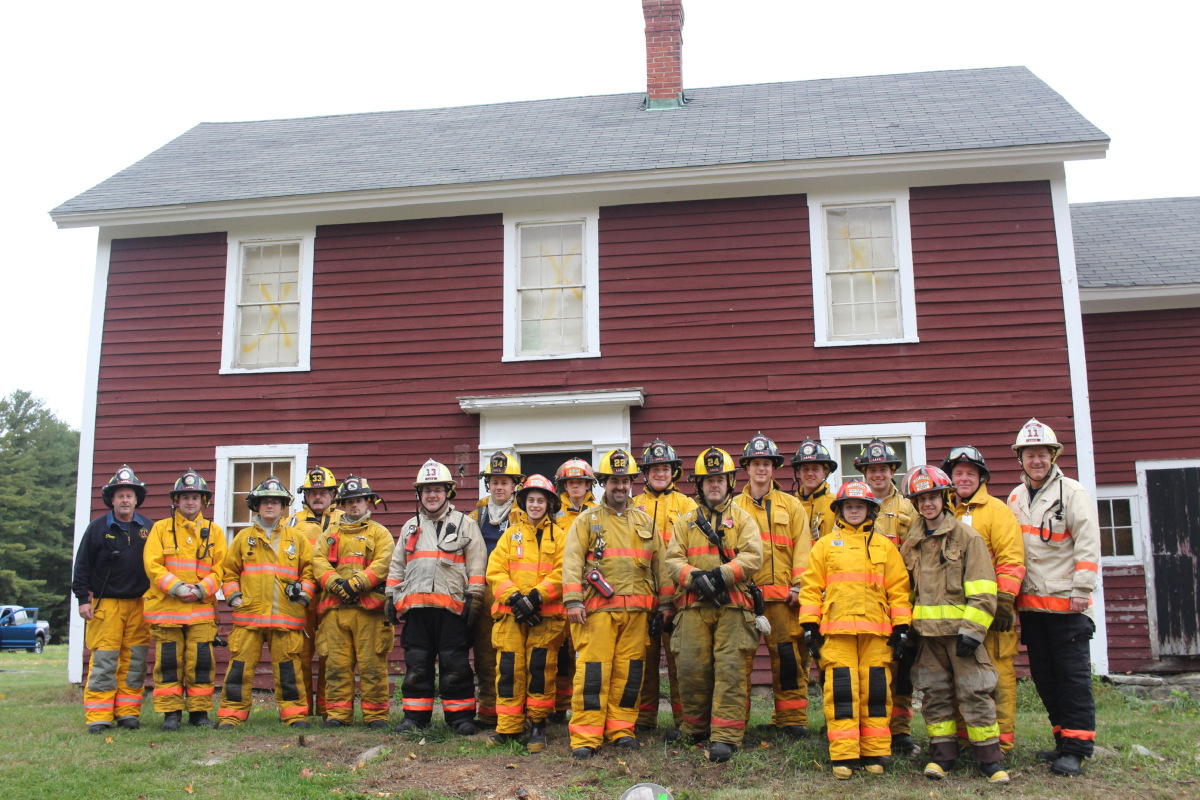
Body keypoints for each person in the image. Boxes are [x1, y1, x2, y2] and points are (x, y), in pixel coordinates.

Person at [898, 466, 1008, 784]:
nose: (927, 504)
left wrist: (973, 632)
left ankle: (990, 759)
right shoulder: (912, 544)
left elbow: (984, 588)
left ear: (945, 498)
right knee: (935, 695)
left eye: (932, 496)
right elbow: (904, 590)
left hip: (961, 636)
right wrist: (904, 629)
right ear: (915, 503)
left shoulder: (967, 538)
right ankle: (942, 757)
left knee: (975, 693)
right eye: (921, 498)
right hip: (926, 639)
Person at [798, 480, 911, 779]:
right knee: (841, 693)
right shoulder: (824, 546)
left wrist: (901, 628)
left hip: (877, 635)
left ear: (870, 510)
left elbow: (899, 591)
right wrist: (810, 625)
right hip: (837, 634)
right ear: (839, 511)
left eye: (860, 506)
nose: (854, 511)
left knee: (876, 693)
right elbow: (811, 589)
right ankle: (844, 756)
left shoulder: (886, 546)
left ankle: (874, 752)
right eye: (849, 506)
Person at [1007, 418, 1101, 777]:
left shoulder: (1072, 493)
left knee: (1072, 679)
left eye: (1043, 454)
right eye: (1030, 454)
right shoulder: (1016, 497)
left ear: (1053, 455)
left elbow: (1088, 545)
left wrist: (1082, 590)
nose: (1036, 460)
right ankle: (1062, 739)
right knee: (1045, 678)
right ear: (1021, 458)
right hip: (1032, 607)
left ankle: (1076, 749)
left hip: (1067, 607)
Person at [562, 448, 669, 760]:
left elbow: (660, 566)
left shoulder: (646, 522)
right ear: (603, 483)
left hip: (638, 613)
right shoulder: (587, 520)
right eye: (613, 481)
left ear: (631, 482)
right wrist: (572, 601)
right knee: (593, 672)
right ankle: (586, 735)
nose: (619, 486)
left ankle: (622, 730)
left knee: (630, 673)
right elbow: (570, 563)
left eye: (624, 480)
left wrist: (666, 605)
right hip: (597, 612)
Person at [667, 446, 764, 762]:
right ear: (699, 485)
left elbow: (753, 556)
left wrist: (722, 575)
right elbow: (673, 559)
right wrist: (696, 578)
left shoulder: (744, 519)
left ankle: (725, 736)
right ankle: (694, 728)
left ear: (729, 482)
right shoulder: (685, 522)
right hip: (693, 607)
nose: (714, 485)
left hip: (733, 607)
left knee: (730, 670)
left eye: (719, 479)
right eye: (708, 480)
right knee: (691, 666)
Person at [387, 459, 486, 735]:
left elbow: (477, 566)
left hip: (452, 611)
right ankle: (415, 717)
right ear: (419, 494)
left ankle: (461, 718)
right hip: (417, 610)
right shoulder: (409, 527)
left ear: (448, 493)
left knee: (455, 665)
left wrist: (474, 599)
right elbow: (398, 565)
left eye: (438, 490)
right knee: (417, 665)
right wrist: (390, 595)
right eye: (427, 490)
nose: (432, 495)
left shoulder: (466, 524)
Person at [942, 446, 1024, 755]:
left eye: (970, 474)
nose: (963, 479)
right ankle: (967, 740)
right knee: (961, 679)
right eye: (958, 473)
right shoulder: (943, 511)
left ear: (981, 478)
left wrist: (1004, 599)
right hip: (956, 613)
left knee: (997, 678)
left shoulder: (997, 511)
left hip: (991, 613)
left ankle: (1000, 744)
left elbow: (1011, 559)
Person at [217, 477, 315, 729]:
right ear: (256, 506)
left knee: (288, 670)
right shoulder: (242, 538)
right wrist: (234, 597)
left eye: (275, 502)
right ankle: (231, 716)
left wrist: (304, 593)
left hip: (285, 616)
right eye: (265, 502)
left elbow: (309, 572)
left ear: (283, 506)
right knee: (239, 667)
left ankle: (294, 715)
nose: (270, 506)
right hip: (249, 616)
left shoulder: (297, 539)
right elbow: (228, 572)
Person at [734, 433, 812, 739]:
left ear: (774, 467)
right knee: (738, 660)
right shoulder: (734, 506)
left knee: (788, 658)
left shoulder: (792, 506)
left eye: (766, 463)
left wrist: (799, 585)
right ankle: (736, 720)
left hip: (783, 599)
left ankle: (791, 719)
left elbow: (803, 548)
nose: (761, 469)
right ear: (747, 468)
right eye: (756, 463)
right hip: (742, 598)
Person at [485, 474, 567, 753]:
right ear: (523, 502)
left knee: (540, 671)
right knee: (508, 670)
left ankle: (538, 726)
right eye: (530, 500)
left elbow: (563, 572)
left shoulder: (561, 537)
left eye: (540, 501)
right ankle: (507, 727)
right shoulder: (510, 535)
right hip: (511, 617)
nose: (535, 505)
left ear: (549, 504)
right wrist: (516, 599)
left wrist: (535, 597)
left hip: (545, 618)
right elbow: (494, 571)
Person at [72, 465, 153, 734]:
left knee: (134, 661)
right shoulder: (97, 528)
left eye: (130, 495)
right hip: (106, 605)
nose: (125, 500)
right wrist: (83, 598)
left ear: (137, 499)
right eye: (120, 495)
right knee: (105, 661)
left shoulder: (148, 528)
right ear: (112, 500)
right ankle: (99, 715)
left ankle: (128, 713)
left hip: (140, 605)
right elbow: (82, 565)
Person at [143, 469, 226, 731]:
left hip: (200, 611)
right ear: (176, 501)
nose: (190, 502)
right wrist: (178, 588)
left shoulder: (215, 532)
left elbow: (221, 569)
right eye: (185, 497)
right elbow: (152, 565)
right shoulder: (159, 529)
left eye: (195, 497)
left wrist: (201, 590)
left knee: (201, 662)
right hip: (167, 610)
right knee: (168, 662)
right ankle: (171, 714)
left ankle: (199, 714)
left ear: (204, 501)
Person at [852, 439, 919, 756]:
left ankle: (901, 731)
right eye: (871, 469)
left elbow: (917, 553)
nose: (877, 474)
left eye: (883, 469)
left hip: (899, 598)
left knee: (902, 669)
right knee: (868, 670)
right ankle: (864, 726)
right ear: (864, 472)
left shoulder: (908, 508)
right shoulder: (853, 505)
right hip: (861, 601)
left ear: (893, 470)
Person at [313, 475, 395, 729]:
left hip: (368, 611)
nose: (353, 506)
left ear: (367, 502)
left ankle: (376, 715)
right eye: (348, 501)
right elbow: (318, 562)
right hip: (335, 611)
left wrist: (357, 584)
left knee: (372, 665)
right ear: (341, 504)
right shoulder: (329, 535)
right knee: (337, 665)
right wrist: (338, 585)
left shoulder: (380, 533)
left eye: (358, 500)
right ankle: (338, 714)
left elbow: (384, 563)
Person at [630, 439, 695, 737]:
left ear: (674, 472)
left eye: (665, 468)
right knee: (644, 658)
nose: (660, 473)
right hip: (642, 594)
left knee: (679, 659)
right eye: (654, 468)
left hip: (680, 594)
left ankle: (684, 721)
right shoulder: (633, 506)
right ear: (645, 472)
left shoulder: (688, 505)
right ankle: (645, 719)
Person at [468, 451, 526, 730]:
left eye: (505, 481)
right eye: (494, 481)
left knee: (513, 657)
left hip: (511, 594)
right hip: (482, 594)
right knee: (484, 656)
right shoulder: (476, 514)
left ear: (515, 484)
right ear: (487, 484)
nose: (499, 486)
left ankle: (515, 713)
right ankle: (489, 712)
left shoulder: (525, 512)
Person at [287, 465, 344, 717]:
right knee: (300, 653)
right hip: (303, 599)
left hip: (334, 595)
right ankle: (301, 708)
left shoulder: (345, 519)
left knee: (332, 653)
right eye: (313, 493)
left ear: (333, 494)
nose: (317, 497)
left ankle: (327, 707)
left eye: (323, 492)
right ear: (305, 496)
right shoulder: (292, 522)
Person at [550, 457, 597, 722]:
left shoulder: (599, 511)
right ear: (564, 484)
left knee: (583, 653)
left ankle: (581, 707)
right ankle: (558, 708)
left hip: (590, 591)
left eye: (580, 481)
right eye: (570, 481)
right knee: (559, 653)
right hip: (558, 591)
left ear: (589, 484)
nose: (575, 486)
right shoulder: (553, 512)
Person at [791, 438, 837, 541]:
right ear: (799, 472)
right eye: (805, 469)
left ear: (825, 473)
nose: (810, 473)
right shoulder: (791, 505)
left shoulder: (836, 504)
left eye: (815, 469)